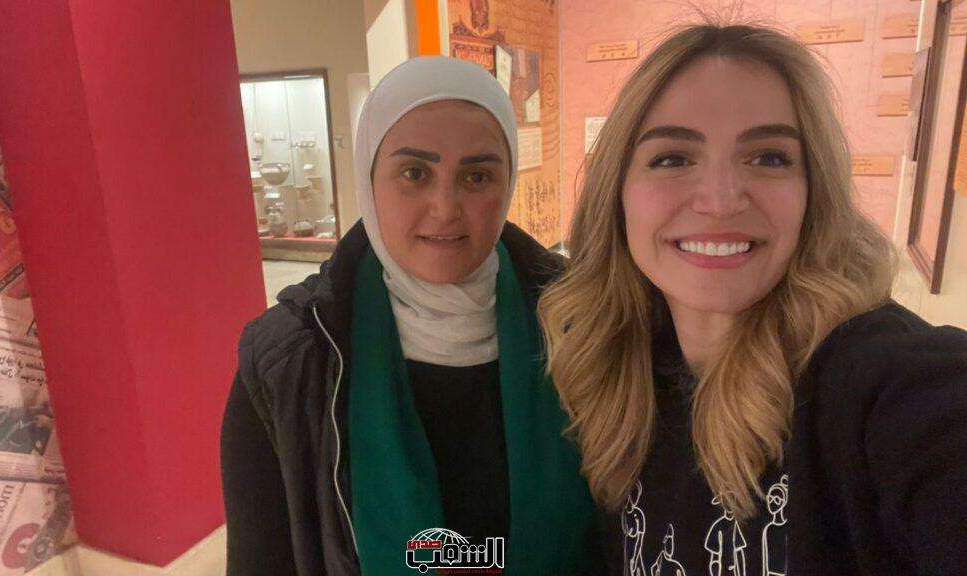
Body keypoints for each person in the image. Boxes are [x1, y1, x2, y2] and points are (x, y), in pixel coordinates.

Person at [537, 23, 967, 576]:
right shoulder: (612, 374)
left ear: (814, 192)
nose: (720, 201)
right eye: (673, 158)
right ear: (616, 193)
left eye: (768, 158)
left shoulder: (884, 382)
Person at [221, 56, 597, 576]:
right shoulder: (290, 358)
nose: (445, 207)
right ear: (369, 180)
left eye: (477, 175)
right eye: (414, 173)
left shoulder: (585, 325)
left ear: (508, 183)